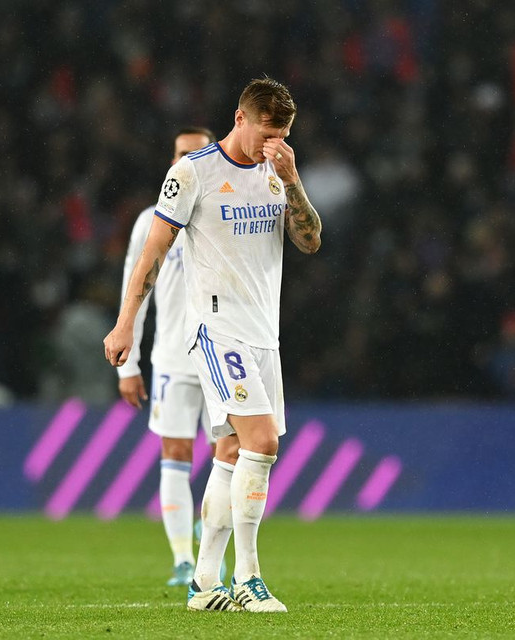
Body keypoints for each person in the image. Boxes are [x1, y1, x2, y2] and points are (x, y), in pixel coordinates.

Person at [104, 77, 322, 613]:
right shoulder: (193, 173)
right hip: (216, 331)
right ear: (240, 118)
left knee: (230, 453)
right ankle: (248, 577)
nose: (274, 143)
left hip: (263, 335)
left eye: (285, 134)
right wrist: (126, 321)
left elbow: (311, 239)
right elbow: (153, 250)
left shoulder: (279, 173)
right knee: (263, 443)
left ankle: (204, 583)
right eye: (268, 132)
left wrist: (291, 180)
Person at [116, 126, 217, 587]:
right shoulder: (150, 221)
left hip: (222, 354)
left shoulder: (226, 213)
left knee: (230, 456)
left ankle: (214, 555)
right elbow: (133, 290)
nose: (188, 161)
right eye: (181, 154)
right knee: (174, 454)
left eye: (198, 153)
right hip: (174, 357)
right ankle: (181, 558)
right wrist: (130, 364)